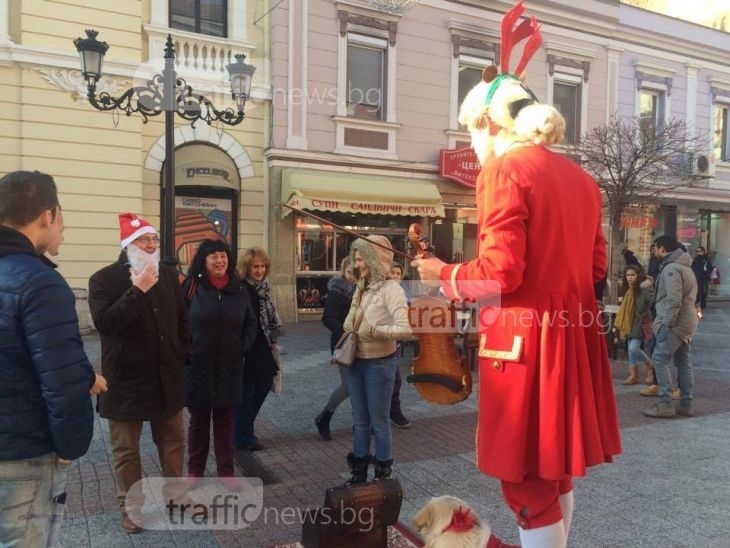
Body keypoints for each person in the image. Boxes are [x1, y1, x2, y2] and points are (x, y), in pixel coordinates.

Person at [412, 7, 621, 545]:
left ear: (487, 123)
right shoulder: (582, 179)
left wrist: (443, 272)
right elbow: (597, 267)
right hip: (571, 338)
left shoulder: (505, 169)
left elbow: (502, 269)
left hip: (526, 345)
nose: (472, 143)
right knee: (554, 469)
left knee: (525, 482)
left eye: (471, 130)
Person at [0, 171, 105, 547]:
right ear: (47, 215)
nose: (64, 227)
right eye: (61, 216)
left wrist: (79, 372)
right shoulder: (39, 281)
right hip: (24, 450)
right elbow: (58, 382)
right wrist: (69, 447)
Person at [88, 213, 189, 533]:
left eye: (153, 240)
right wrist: (138, 290)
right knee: (126, 451)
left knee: (173, 442)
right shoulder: (102, 280)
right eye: (143, 240)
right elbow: (105, 323)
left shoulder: (170, 276)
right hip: (125, 382)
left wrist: (183, 354)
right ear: (127, 245)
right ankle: (132, 509)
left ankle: (177, 498)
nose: (150, 245)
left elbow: (183, 321)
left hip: (165, 377)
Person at [182, 239, 258, 487]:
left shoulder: (239, 289)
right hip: (198, 367)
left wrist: (243, 347)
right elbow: (178, 322)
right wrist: (187, 349)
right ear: (203, 260)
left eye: (223, 255)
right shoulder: (192, 287)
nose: (219, 260)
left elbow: (250, 323)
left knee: (225, 423)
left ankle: (226, 472)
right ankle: (195, 471)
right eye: (213, 255)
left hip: (230, 367)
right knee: (198, 422)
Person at [343, 235, 412, 485]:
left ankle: (384, 472)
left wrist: (377, 331)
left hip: (380, 364)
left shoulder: (391, 289)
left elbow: (406, 329)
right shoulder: (361, 286)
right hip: (356, 362)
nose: (357, 263)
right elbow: (350, 322)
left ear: (375, 259)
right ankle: (359, 473)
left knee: (379, 423)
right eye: (356, 258)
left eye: (362, 258)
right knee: (359, 421)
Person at [643, 235, 698, 418]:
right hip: (686, 321)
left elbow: (674, 300)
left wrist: (665, 323)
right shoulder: (685, 267)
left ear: (661, 248)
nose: (654, 252)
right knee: (683, 361)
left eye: (655, 249)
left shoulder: (671, 269)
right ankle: (686, 403)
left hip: (675, 322)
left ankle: (665, 403)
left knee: (659, 358)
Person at [234, 247, 282, 451]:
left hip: (263, 343)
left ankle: (242, 430)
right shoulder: (242, 288)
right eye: (255, 266)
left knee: (262, 385)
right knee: (248, 393)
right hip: (248, 346)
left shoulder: (263, 287)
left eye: (263, 266)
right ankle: (242, 436)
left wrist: (273, 333)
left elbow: (271, 314)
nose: (260, 270)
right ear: (246, 267)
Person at [315, 258, 357, 440]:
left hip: (362, 344)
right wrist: (345, 332)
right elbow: (328, 318)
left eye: (356, 273)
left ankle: (360, 423)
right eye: (349, 272)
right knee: (348, 386)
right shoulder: (337, 291)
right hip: (344, 343)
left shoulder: (364, 290)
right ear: (343, 271)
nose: (352, 277)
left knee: (359, 386)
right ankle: (325, 417)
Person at [614, 264, 654, 386]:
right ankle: (633, 375)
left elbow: (653, 302)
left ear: (639, 276)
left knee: (633, 348)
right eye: (628, 275)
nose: (630, 278)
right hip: (629, 322)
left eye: (633, 275)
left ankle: (649, 366)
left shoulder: (646, 289)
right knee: (631, 351)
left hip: (640, 323)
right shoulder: (628, 289)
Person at [386, 261, 412, 428]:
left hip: (395, 341)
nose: (395, 276)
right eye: (392, 273)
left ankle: (393, 411)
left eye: (398, 273)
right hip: (383, 340)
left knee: (395, 380)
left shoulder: (402, 291)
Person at [690, 246, 712, 310]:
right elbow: (693, 267)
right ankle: (697, 303)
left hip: (702, 277)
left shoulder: (706, 259)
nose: (698, 252)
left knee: (701, 291)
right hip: (696, 276)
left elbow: (710, 268)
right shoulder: (696, 259)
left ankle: (702, 304)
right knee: (696, 290)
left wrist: (705, 272)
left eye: (699, 251)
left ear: (703, 251)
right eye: (697, 251)